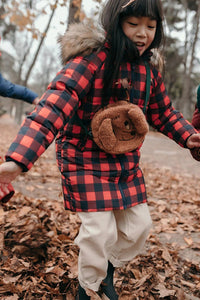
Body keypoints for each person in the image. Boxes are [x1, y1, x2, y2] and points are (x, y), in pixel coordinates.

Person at [0, 0, 200, 299]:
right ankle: (89, 287)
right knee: (99, 231)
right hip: (82, 157)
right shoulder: (90, 61)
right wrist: (18, 160)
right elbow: (52, 108)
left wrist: (189, 137)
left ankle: (108, 268)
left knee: (139, 227)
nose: (142, 33)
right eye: (133, 24)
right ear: (115, 23)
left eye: (150, 26)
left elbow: (164, 112)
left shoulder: (149, 71)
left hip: (124, 162)